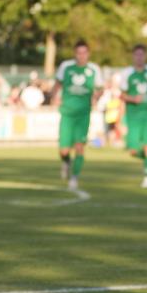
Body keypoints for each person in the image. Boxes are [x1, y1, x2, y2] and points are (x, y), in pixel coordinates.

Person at [52, 40, 103, 190]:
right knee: (64, 150)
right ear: (75, 54)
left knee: (80, 146)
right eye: (79, 53)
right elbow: (58, 84)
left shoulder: (93, 69)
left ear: (88, 54)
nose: (81, 56)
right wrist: (54, 96)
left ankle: (74, 178)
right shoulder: (66, 67)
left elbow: (100, 88)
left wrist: (96, 96)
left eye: (84, 53)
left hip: (83, 114)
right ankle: (66, 161)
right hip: (67, 113)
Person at [120, 44, 147, 188]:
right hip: (133, 115)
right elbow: (122, 95)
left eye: (142, 55)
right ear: (133, 56)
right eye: (136, 55)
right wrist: (133, 99)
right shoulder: (127, 73)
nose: (139, 57)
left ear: (145, 56)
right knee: (133, 150)